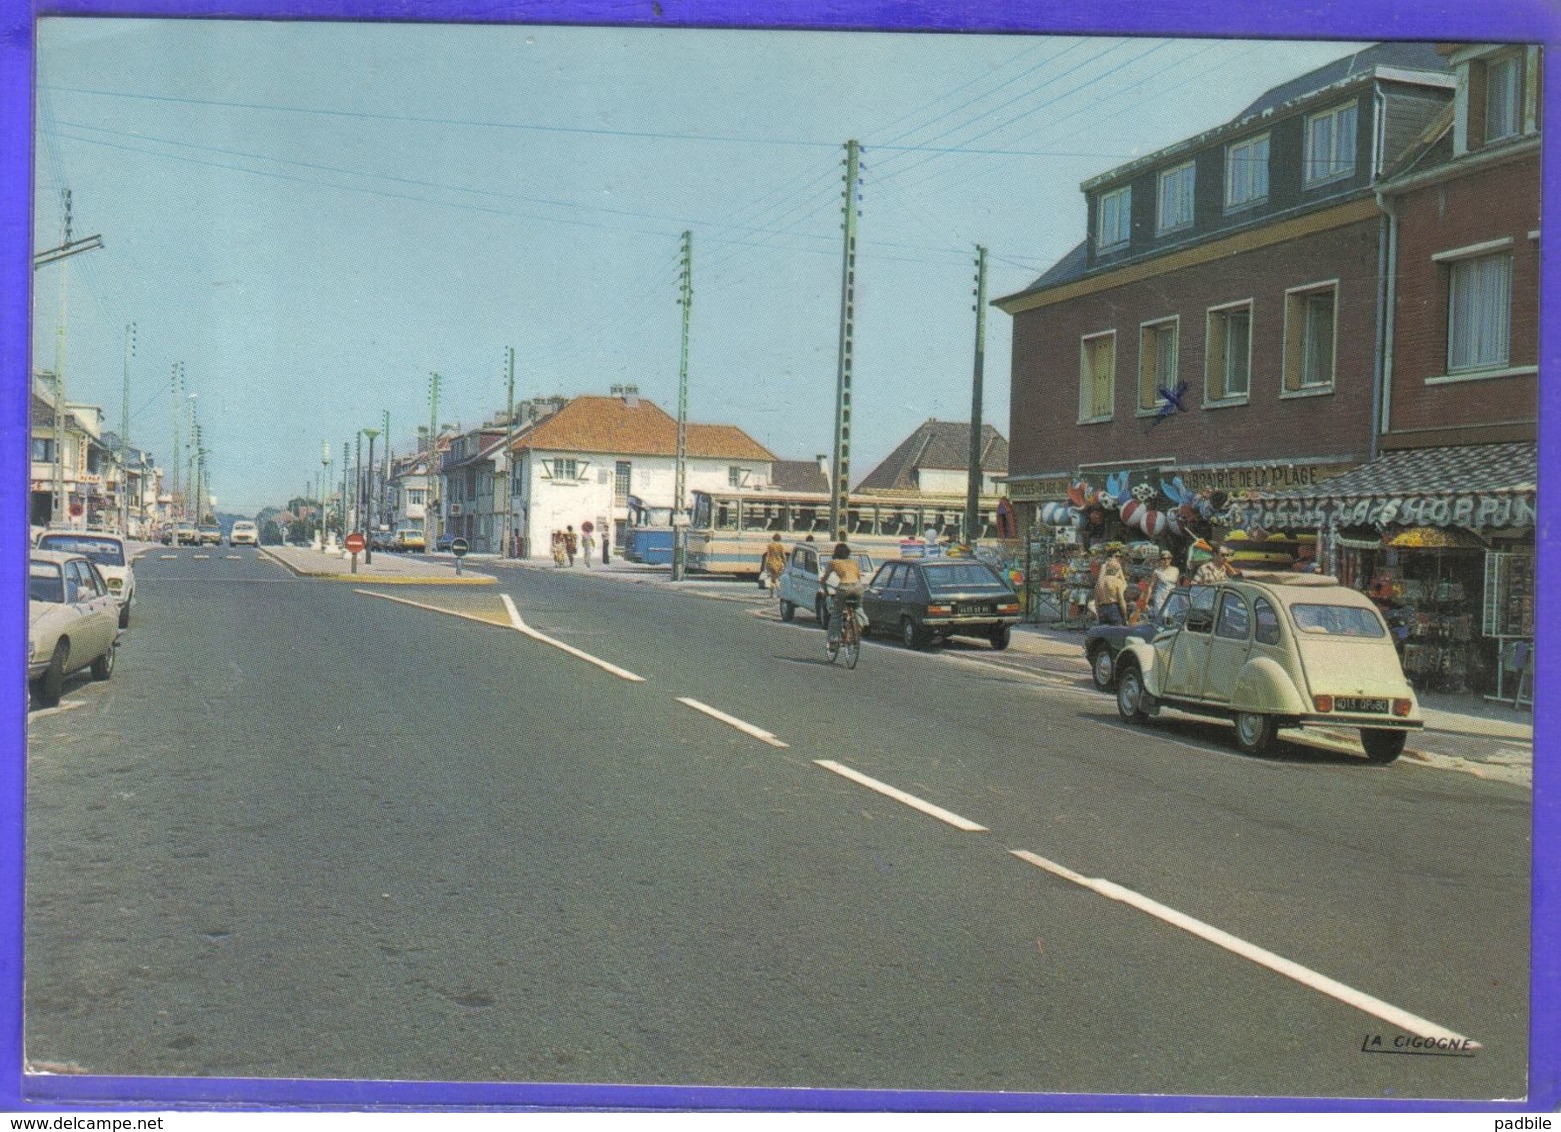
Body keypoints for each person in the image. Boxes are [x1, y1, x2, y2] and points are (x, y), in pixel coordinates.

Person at [819, 542, 865, 645]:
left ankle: (834, 638)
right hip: (858, 588)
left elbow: (824, 580)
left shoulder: (834, 562)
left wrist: (826, 592)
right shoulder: (854, 562)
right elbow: (858, 578)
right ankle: (860, 624)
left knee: (837, 613)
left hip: (844, 587)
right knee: (858, 608)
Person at [1093, 552, 1129, 626]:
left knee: (1104, 634)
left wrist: (1098, 614)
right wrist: (1125, 616)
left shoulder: (1098, 584)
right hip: (1113, 608)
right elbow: (1121, 601)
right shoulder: (1116, 582)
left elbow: (1096, 602)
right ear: (1117, 570)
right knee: (1117, 633)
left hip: (1102, 608)